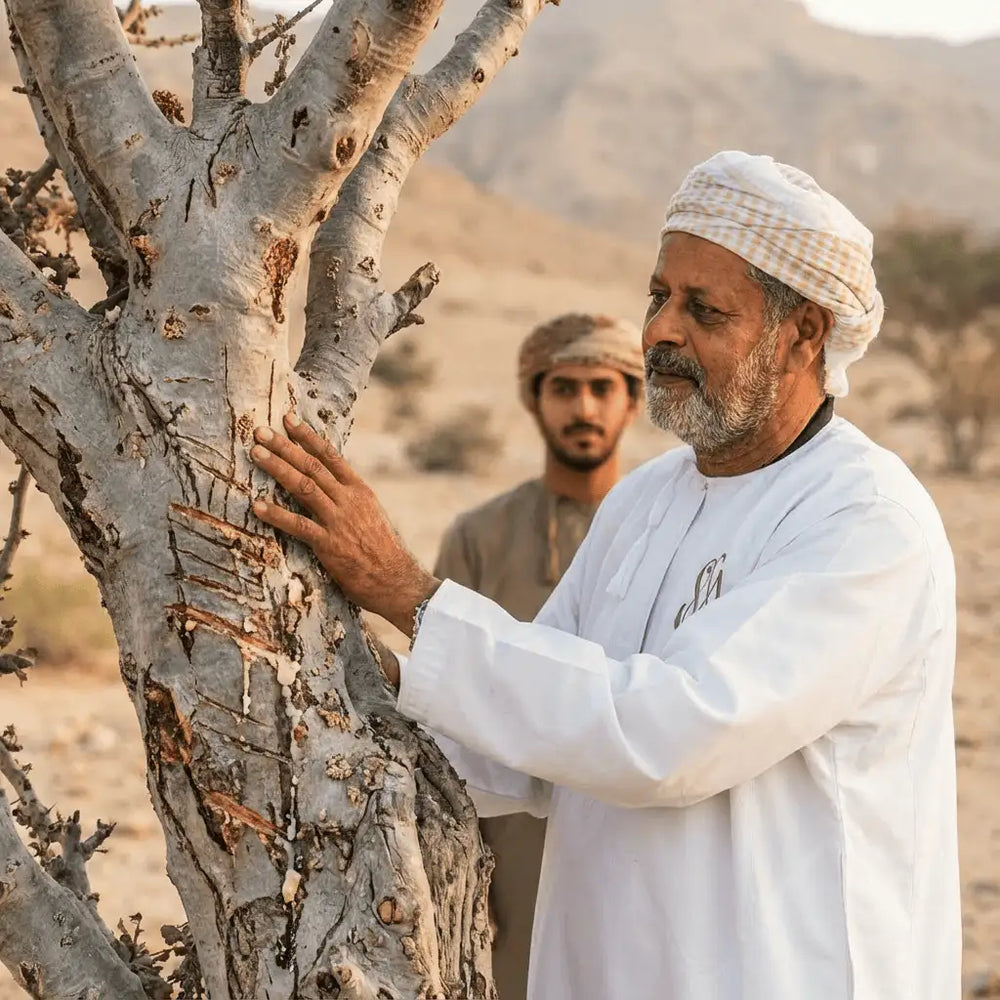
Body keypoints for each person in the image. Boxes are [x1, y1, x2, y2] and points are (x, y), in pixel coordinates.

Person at [249, 150, 961, 1000]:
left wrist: (404, 589)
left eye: (704, 308)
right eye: (659, 295)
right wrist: (334, 670)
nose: (661, 329)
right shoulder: (646, 499)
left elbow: (670, 736)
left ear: (803, 334)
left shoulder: (866, 520)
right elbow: (522, 743)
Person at [433, 313, 643, 1000]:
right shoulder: (480, 536)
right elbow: (449, 698)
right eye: (564, 388)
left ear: (633, 400)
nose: (584, 408)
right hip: (516, 838)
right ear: (535, 399)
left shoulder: (662, 528)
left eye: (602, 388)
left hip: (640, 819)